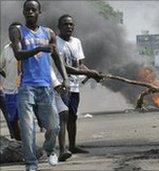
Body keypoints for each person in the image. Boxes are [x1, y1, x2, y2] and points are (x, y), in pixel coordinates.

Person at [9, 1, 69, 170]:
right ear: (23, 12)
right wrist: (40, 49)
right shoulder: (17, 31)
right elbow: (18, 54)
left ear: (39, 12)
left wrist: (64, 78)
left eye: (33, 10)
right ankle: (31, 163)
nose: (30, 12)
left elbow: (57, 57)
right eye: (27, 9)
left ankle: (49, 149)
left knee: (54, 126)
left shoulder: (48, 32)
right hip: (26, 87)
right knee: (28, 128)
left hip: (45, 87)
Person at [55, 14, 101, 154]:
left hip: (74, 86)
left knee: (73, 117)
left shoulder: (76, 42)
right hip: (61, 85)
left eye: (71, 24)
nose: (69, 27)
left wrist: (93, 73)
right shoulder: (55, 42)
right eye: (65, 24)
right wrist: (89, 73)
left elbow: (79, 64)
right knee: (63, 116)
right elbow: (62, 66)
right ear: (59, 27)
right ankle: (63, 149)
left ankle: (73, 146)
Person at [0, 23, 23, 141]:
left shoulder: (28, 46)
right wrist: (7, 76)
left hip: (25, 88)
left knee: (24, 118)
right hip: (10, 90)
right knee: (12, 119)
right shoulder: (6, 49)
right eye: (11, 32)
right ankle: (19, 143)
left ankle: (28, 147)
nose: (13, 35)